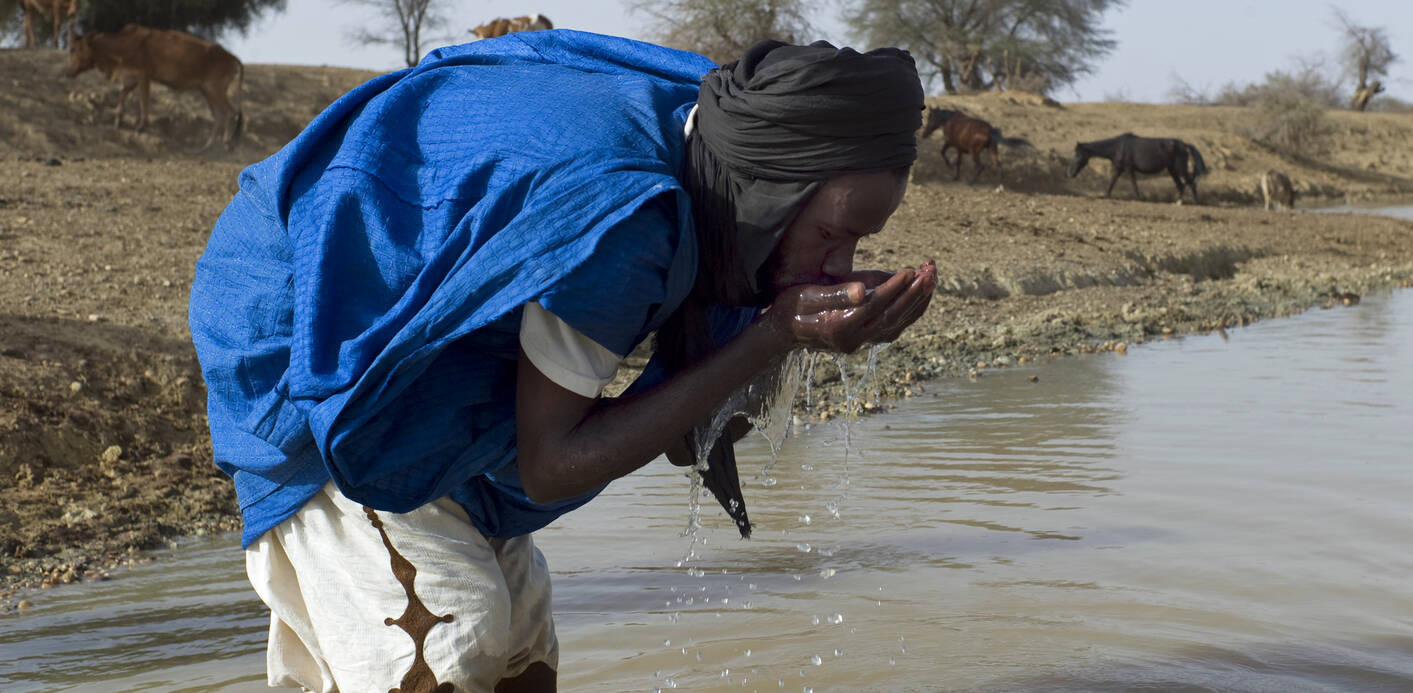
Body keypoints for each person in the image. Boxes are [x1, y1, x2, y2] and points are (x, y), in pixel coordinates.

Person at [188, 30, 935, 693]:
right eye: (834, 236)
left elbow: (689, 433)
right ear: (775, 195)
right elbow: (551, 463)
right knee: (448, 641)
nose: (842, 266)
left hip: (450, 347)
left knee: (521, 652)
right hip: (311, 324)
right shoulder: (630, 219)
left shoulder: (723, 153)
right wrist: (775, 335)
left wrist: (784, 333)